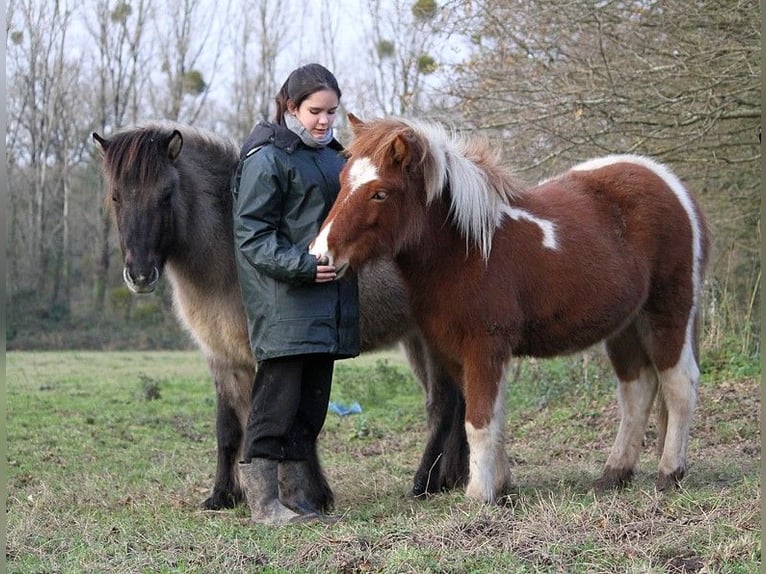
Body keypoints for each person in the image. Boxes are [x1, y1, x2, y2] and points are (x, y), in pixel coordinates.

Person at [232, 63, 360, 525]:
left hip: (328, 303)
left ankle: (298, 499)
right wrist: (304, 268)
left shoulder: (334, 157)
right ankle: (264, 506)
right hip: (286, 304)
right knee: (275, 407)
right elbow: (252, 237)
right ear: (291, 107)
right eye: (315, 112)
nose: (325, 121)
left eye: (331, 112)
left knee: (310, 410)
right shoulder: (266, 158)